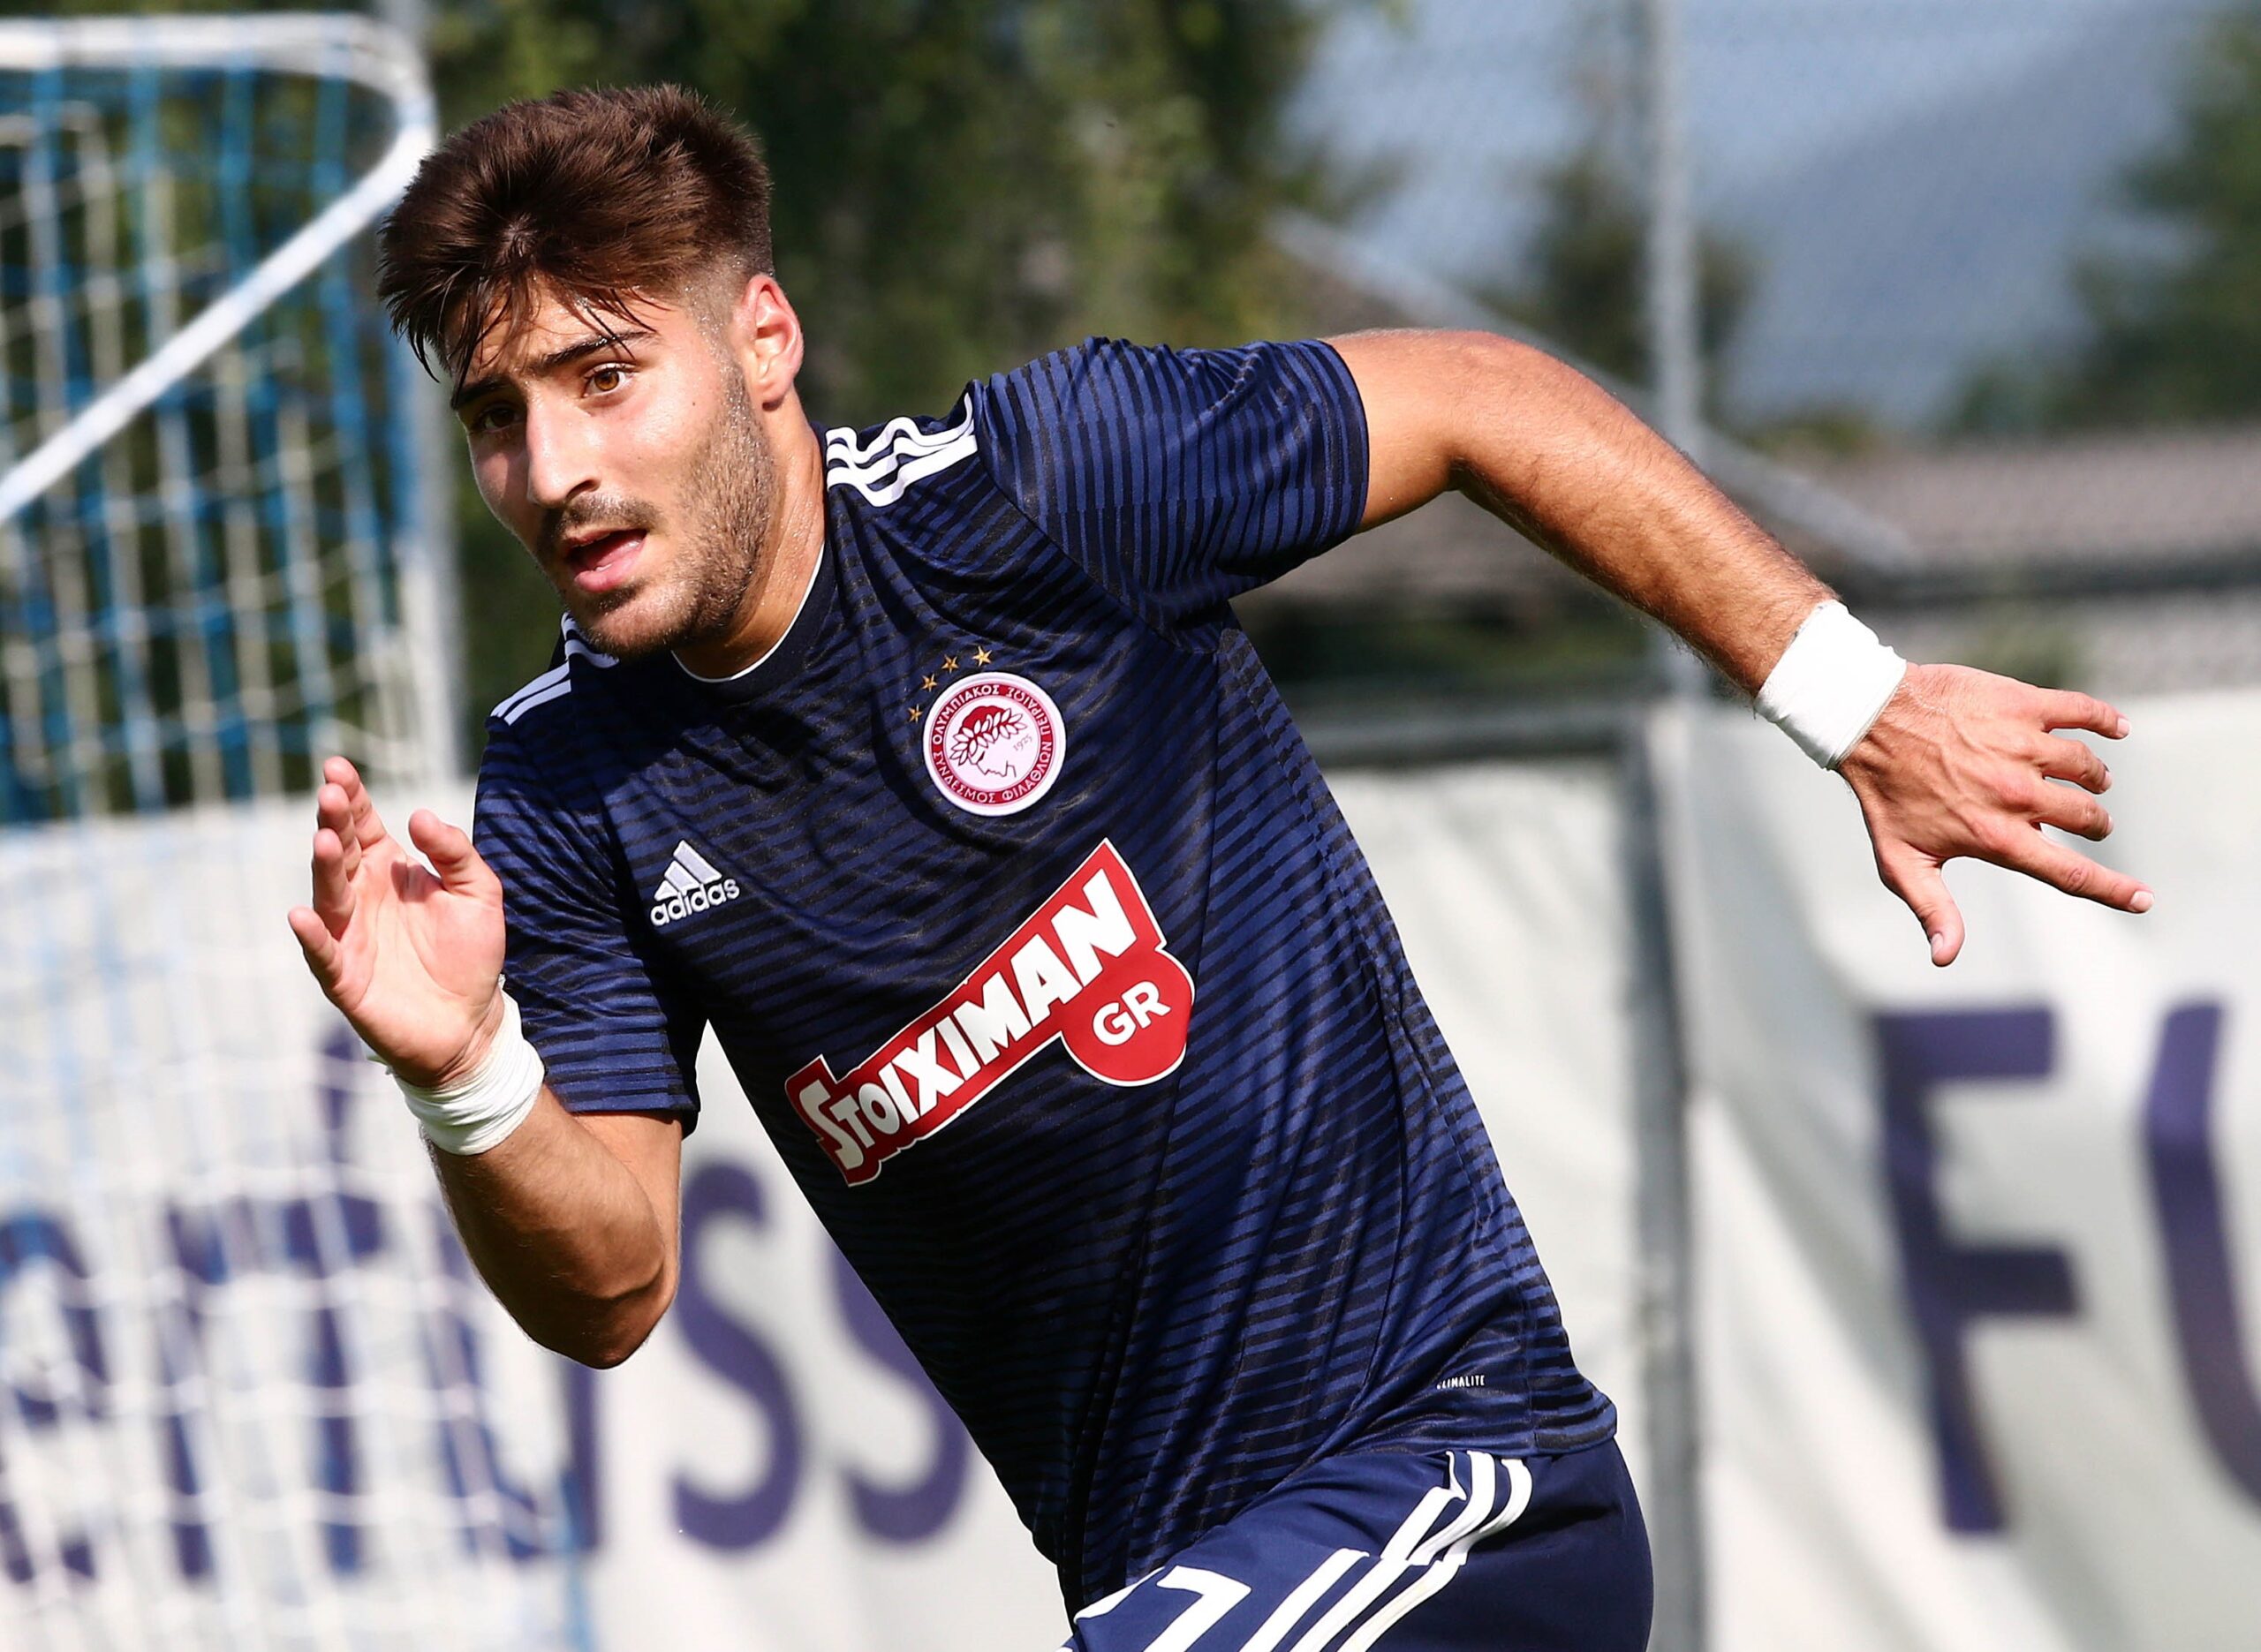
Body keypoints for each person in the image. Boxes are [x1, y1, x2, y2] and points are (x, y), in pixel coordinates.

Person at [288, 86, 2147, 1650]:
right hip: (1171, 1589)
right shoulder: (569, 784)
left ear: (762, 340)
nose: (553, 466)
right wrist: (466, 1074)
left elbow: (1475, 396)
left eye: (604, 377)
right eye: (498, 417)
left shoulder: (1032, 495)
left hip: (1458, 1484)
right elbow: (610, 1287)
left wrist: (1855, 703)